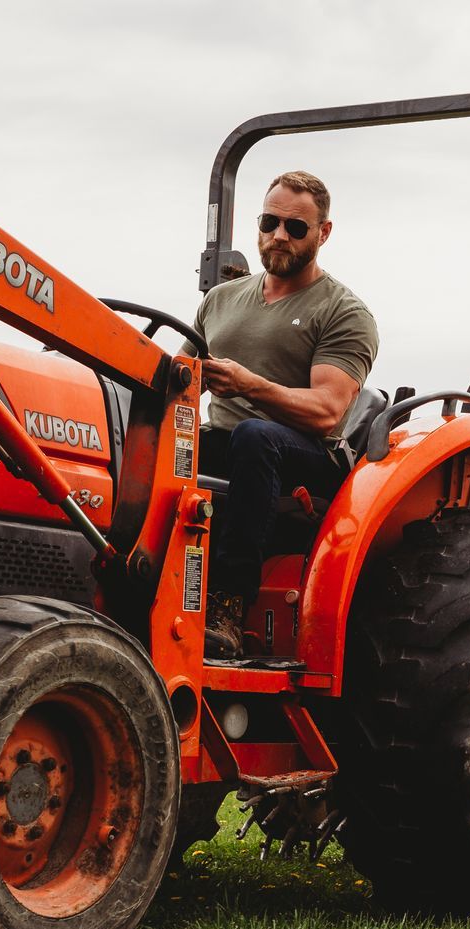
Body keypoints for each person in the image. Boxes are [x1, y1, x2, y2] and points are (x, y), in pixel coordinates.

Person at [194, 170, 379, 659]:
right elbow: (184, 379)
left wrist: (247, 384)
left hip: (304, 452)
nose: (279, 235)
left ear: (323, 233)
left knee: (255, 436)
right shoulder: (220, 300)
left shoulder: (343, 311)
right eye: (270, 222)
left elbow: (326, 411)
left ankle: (228, 607)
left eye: (296, 228)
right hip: (225, 442)